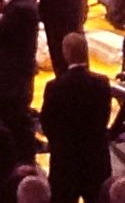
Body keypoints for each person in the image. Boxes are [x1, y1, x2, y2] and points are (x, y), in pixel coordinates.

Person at [40, 32, 117, 203]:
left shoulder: (54, 87)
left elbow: (46, 123)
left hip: (65, 161)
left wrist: (59, 143)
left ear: (65, 54)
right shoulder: (101, 83)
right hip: (95, 159)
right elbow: (104, 118)